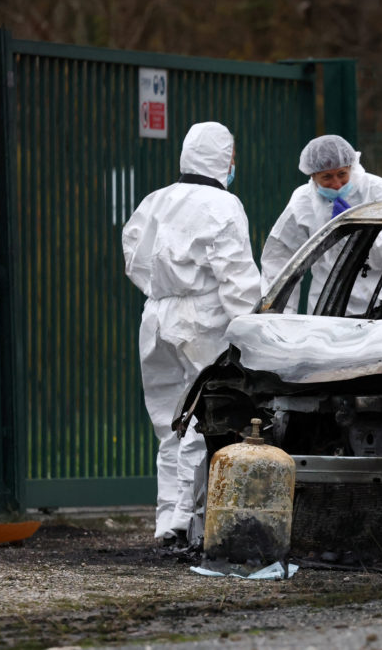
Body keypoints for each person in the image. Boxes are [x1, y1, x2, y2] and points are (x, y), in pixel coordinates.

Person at [122, 122, 261, 546]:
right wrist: (249, 327)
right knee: (204, 417)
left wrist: (162, 291)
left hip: (157, 317)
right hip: (204, 319)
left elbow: (134, 258)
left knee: (168, 423)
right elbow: (235, 273)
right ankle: (191, 518)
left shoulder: (156, 200)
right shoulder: (223, 204)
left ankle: (167, 520)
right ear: (223, 158)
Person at [260, 134, 382, 314]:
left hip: (380, 299)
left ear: (351, 166)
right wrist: (282, 316)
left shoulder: (379, 192)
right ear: (313, 176)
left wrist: (359, 232)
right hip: (327, 302)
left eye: (342, 174)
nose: (336, 184)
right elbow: (280, 260)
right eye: (327, 177)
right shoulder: (303, 202)